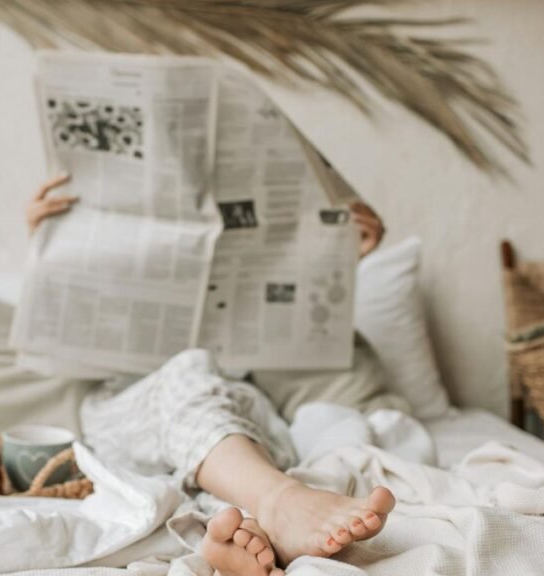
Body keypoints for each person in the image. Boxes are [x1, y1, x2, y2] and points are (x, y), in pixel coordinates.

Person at [27, 174, 393, 576]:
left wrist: (339, 253)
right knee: (189, 369)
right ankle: (278, 501)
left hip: (236, 399)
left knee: (238, 443)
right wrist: (47, 246)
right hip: (125, 406)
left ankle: (240, 534)